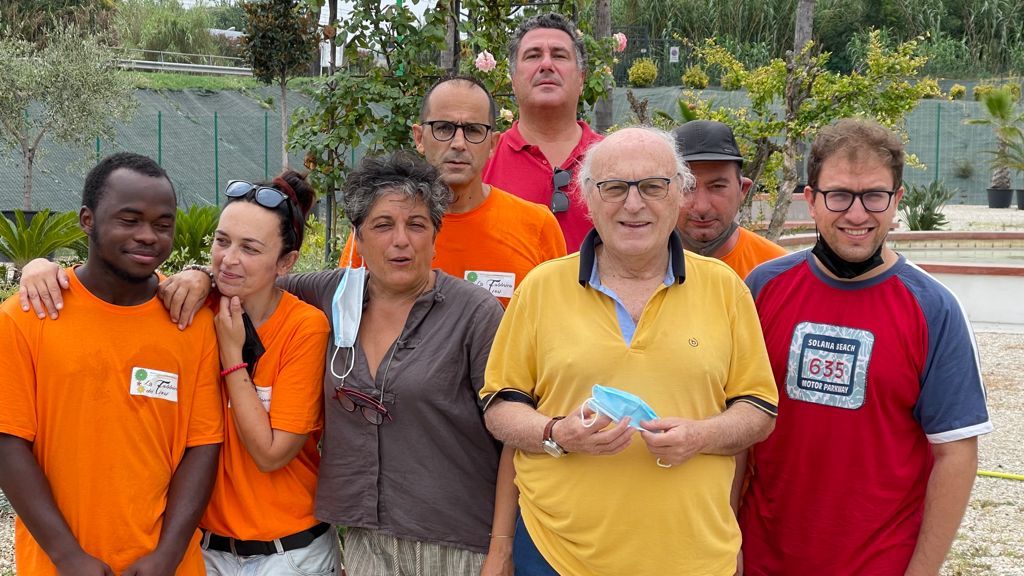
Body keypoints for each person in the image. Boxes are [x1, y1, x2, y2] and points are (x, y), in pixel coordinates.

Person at [480, 127, 779, 575]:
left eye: (653, 187)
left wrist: (700, 437)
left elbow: (759, 410)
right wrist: (557, 433)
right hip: (556, 554)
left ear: (679, 193)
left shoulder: (726, 290)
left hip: (692, 556)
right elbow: (500, 406)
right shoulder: (542, 286)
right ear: (587, 199)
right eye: (615, 188)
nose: (634, 205)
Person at [18, 171, 342, 574]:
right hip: (206, 550)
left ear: (286, 263)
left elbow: (271, 454)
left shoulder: (302, 327)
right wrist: (37, 267)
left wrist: (231, 355)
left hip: (287, 552)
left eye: (251, 248)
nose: (229, 259)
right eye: (222, 242)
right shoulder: (191, 307)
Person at [739, 118, 992, 575]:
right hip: (762, 557)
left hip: (880, 563)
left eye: (874, 195)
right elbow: (734, 427)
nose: (857, 215)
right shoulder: (761, 289)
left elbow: (955, 453)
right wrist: (728, 543)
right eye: (839, 195)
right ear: (811, 200)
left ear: (896, 201)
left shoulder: (934, 309)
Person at [0, 152, 223, 575]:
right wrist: (67, 556)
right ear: (88, 219)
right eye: (130, 219)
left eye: (163, 224)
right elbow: (8, 443)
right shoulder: (27, 316)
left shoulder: (190, 322)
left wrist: (168, 554)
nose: (148, 236)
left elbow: (203, 444)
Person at [340, 75, 566, 306]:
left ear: (492, 144)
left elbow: (555, 327)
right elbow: (349, 318)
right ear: (419, 137)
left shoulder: (537, 226)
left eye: (473, 130)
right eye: (444, 128)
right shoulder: (382, 228)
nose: (459, 143)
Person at [482, 12, 603, 252]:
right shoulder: (482, 160)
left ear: (581, 78)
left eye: (559, 55)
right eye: (533, 55)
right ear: (513, 79)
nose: (546, 64)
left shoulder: (614, 160)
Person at [672, 120, 787, 279]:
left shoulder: (777, 271)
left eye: (717, 186)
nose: (702, 207)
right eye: (687, 188)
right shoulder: (640, 268)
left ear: (743, 189)